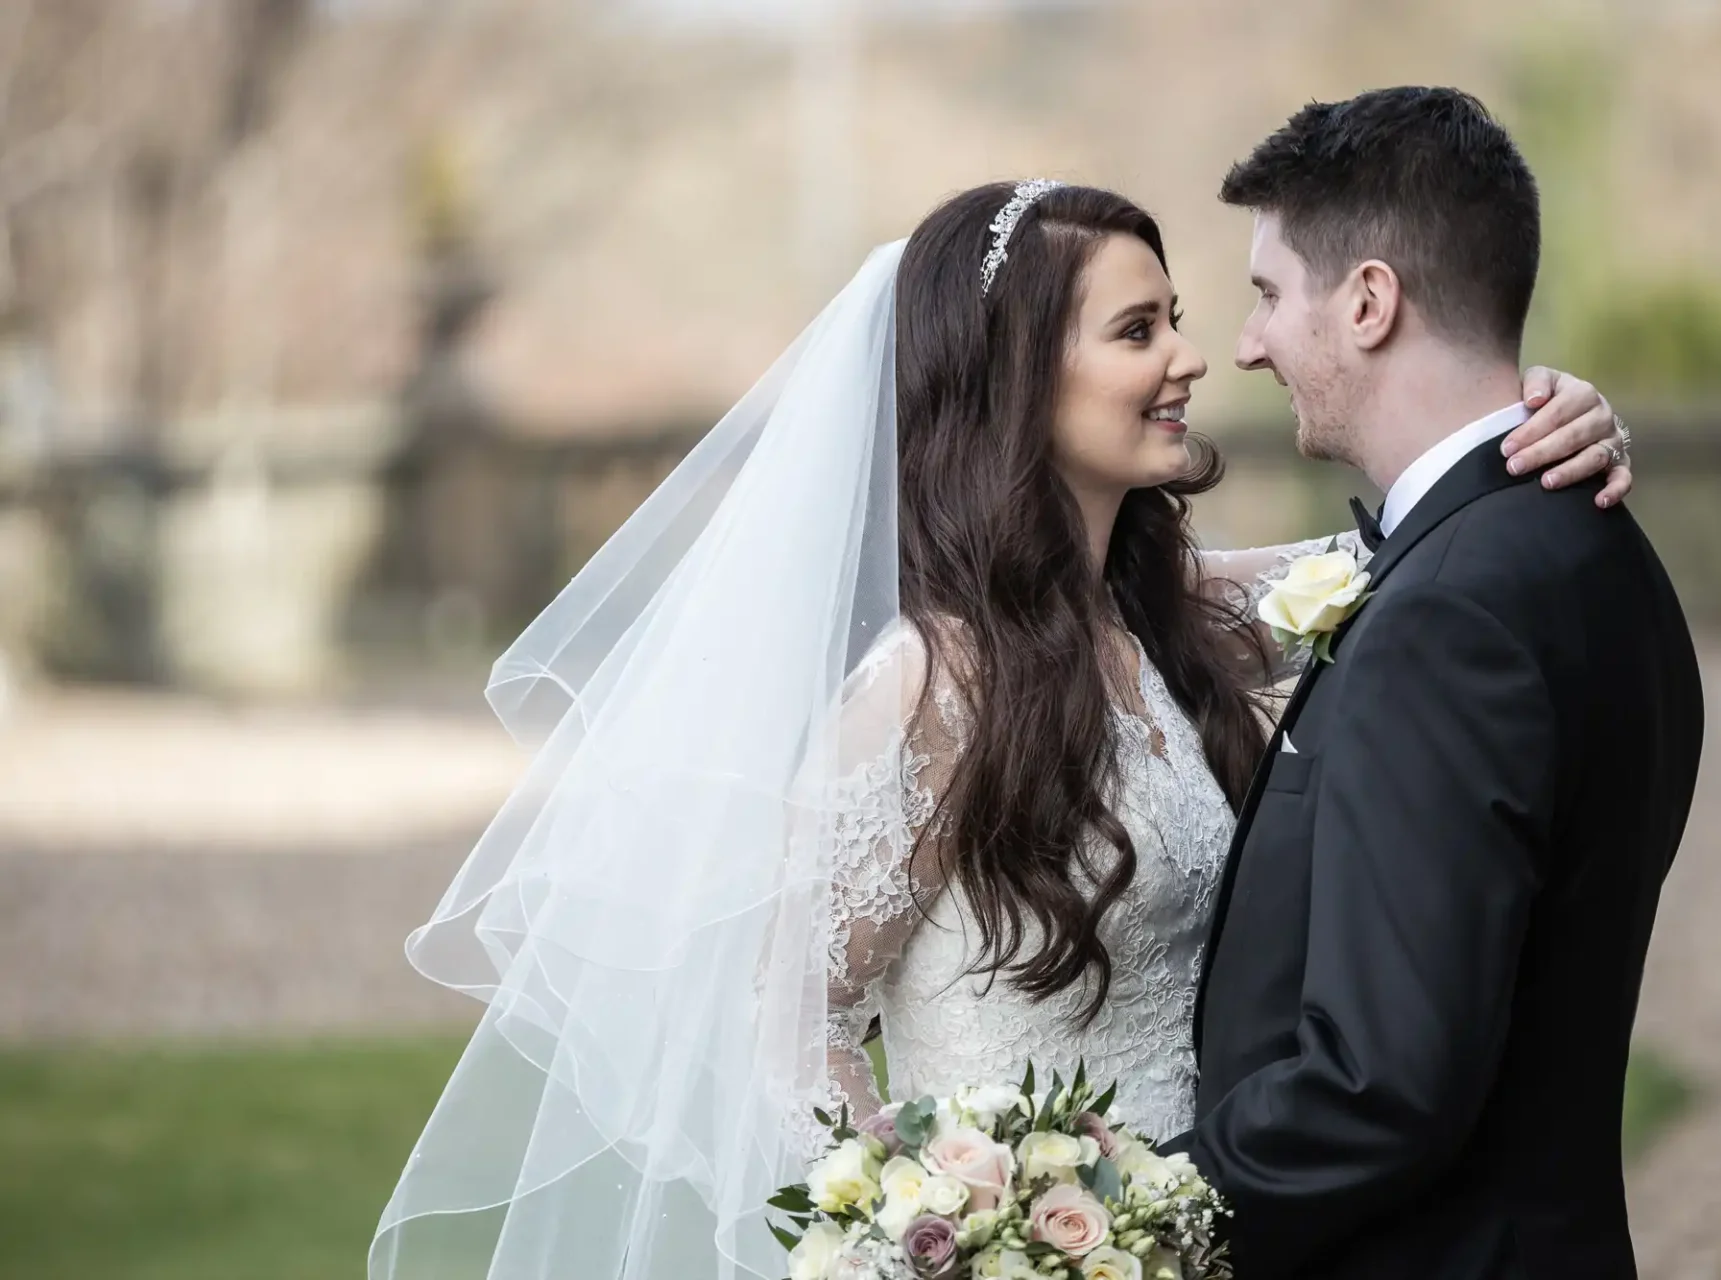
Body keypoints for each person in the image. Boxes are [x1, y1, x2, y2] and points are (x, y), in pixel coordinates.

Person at [369, 175, 1631, 1280]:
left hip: (1215, 1234)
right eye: (1139, 330)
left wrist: (1548, 416)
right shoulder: (932, 685)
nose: (1191, 357)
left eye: (1177, 321)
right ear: (1016, 381)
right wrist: (933, 1234)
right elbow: (790, 1026)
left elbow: (1413, 552)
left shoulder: (1176, 619)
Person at [1168, 88, 1704, 1280]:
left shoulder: (1448, 614)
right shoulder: (1599, 548)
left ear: (1368, 300)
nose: (1247, 345)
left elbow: (1382, 1081)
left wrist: (1125, 1220)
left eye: (1266, 295)